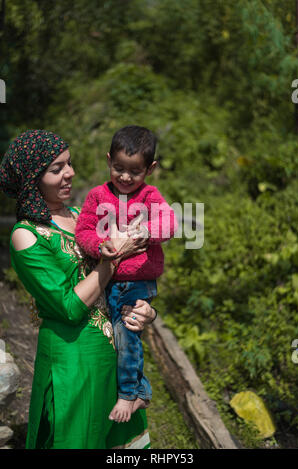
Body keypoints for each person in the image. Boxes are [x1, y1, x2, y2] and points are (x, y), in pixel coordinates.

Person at [0, 129, 157, 449]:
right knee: (78, 438)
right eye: (56, 169)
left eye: (68, 164)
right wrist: (111, 261)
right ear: (32, 179)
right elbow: (69, 307)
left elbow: (124, 280)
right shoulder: (27, 236)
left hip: (112, 356)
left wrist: (146, 311)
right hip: (73, 359)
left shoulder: (77, 215)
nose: (70, 173)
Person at [75, 125, 177, 424]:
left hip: (137, 281)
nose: (125, 177)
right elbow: (83, 230)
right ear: (109, 160)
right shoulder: (97, 196)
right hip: (107, 279)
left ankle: (129, 393)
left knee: (126, 333)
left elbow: (170, 223)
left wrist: (148, 231)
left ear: (150, 169)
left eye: (135, 171)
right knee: (111, 338)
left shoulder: (150, 196)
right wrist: (99, 247)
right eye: (119, 168)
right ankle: (141, 390)